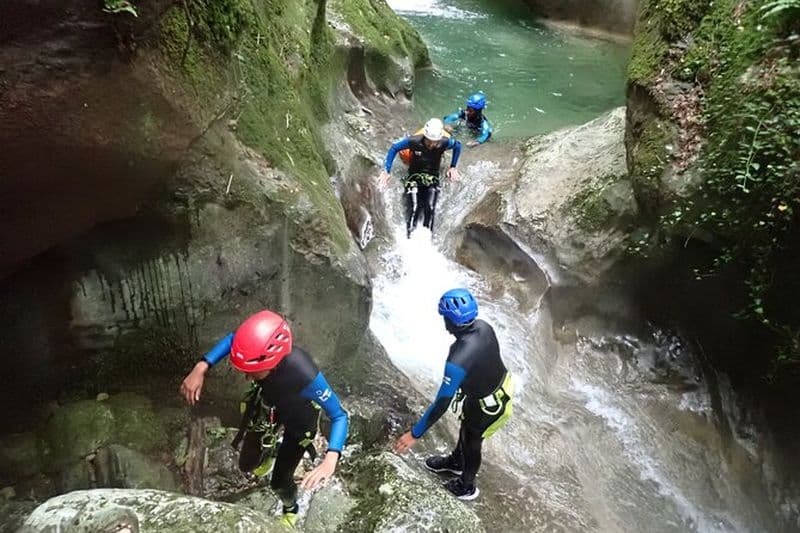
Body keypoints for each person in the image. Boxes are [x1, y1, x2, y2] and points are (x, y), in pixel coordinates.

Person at [180, 310, 348, 527]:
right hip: (270, 407)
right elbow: (233, 339)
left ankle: (291, 508)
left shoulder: (304, 374)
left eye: (253, 372)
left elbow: (339, 415)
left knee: (279, 483)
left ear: (272, 361)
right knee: (247, 464)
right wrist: (201, 366)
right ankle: (271, 450)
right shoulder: (255, 350)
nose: (247, 377)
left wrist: (331, 458)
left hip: (299, 422)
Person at [393, 288, 513, 501]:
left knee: (472, 439)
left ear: (450, 321)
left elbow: (442, 403)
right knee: (466, 429)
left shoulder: (458, 359)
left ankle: (467, 486)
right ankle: (457, 462)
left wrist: (414, 434)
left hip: (489, 405)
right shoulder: (484, 328)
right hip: (495, 390)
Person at [379, 118, 461, 238]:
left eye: (435, 141)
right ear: (425, 137)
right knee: (415, 208)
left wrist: (453, 167)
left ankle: (428, 240)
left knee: (430, 208)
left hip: (432, 178)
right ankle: (409, 237)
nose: (432, 144)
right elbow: (394, 148)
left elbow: (458, 146)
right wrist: (386, 171)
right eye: (430, 141)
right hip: (414, 178)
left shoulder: (443, 142)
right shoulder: (414, 141)